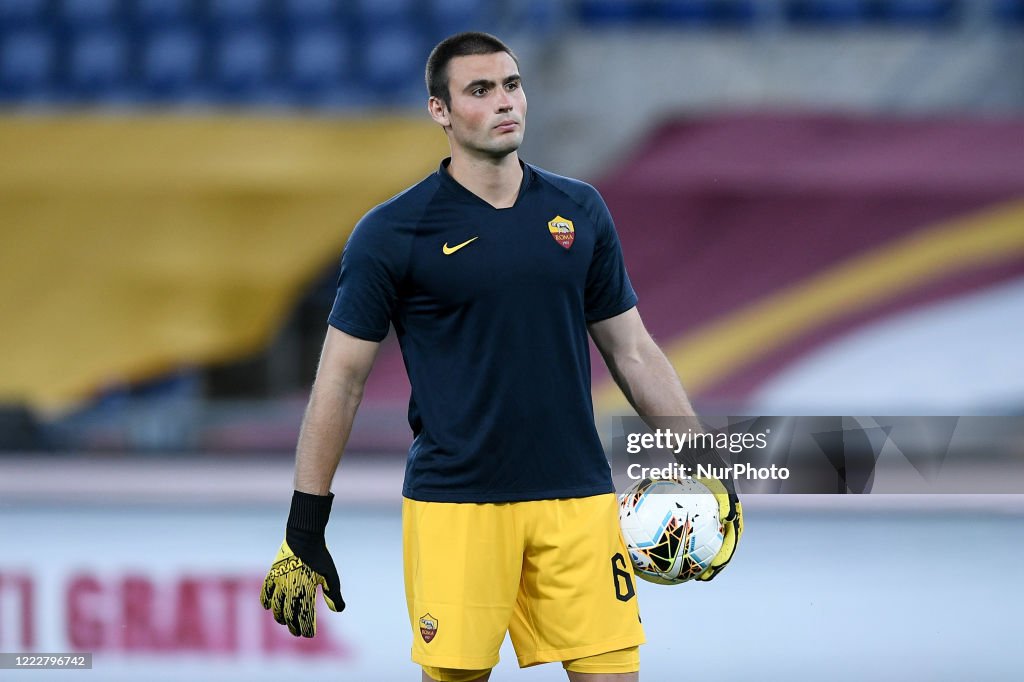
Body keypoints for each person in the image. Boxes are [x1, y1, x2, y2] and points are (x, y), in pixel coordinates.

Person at [260, 32, 742, 682]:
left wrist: (700, 459)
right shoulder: (391, 233)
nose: (504, 101)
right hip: (458, 507)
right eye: (480, 90)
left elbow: (632, 350)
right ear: (441, 111)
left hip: (579, 501)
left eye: (512, 85)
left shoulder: (580, 211)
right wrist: (305, 525)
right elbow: (340, 382)